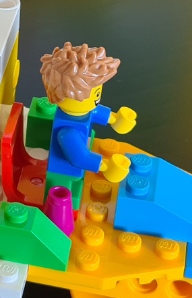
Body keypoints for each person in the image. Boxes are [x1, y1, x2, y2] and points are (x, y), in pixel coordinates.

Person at [39, 42, 138, 209]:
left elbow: (93, 111)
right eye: (96, 93)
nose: (97, 98)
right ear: (71, 94)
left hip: (79, 169)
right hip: (65, 174)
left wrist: (115, 119)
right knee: (65, 200)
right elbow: (79, 157)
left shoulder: (84, 111)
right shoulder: (67, 132)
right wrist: (105, 166)